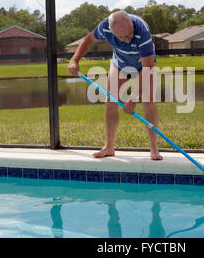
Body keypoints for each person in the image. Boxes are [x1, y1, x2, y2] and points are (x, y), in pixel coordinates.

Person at [68, 10, 163, 161]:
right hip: (120, 63)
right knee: (110, 102)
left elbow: (148, 69)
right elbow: (89, 39)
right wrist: (75, 59)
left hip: (143, 65)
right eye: (122, 37)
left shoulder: (142, 31)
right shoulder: (104, 27)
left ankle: (154, 149)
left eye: (129, 34)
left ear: (131, 25)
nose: (127, 39)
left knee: (148, 101)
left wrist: (133, 98)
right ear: (111, 31)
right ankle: (109, 147)